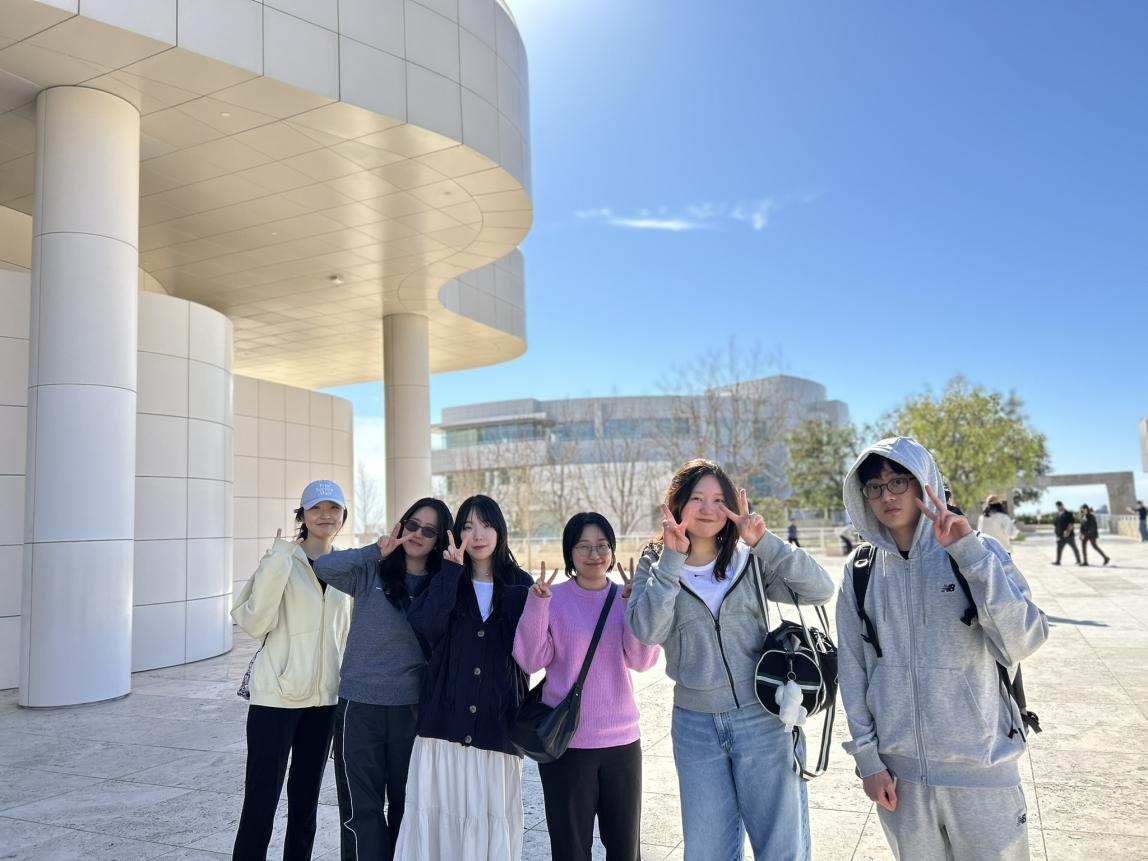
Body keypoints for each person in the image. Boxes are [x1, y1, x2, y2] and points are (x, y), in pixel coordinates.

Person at [835, 438, 1048, 861]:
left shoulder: (978, 550)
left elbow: (1024, 639)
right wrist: (868, 760)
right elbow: (854, 668)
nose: (888, 495)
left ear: (924, 483)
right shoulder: (860, 570)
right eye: (875, 487)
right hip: (901, 780)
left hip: (983, 772)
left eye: (899, 481)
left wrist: (968, 554)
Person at [626, 459, 835, 861]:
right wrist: (672, 561)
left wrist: (764, 541)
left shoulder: (748, 559)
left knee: (781, 847)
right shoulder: (655, 563)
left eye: (719, 500)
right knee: (707, 851)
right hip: (695, 725)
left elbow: (820, 588)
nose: (708, 509)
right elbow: (646, 632)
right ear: (678, 505)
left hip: (763, 718)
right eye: (698, 499)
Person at [513, 512, 661, 861]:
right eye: (584, 546)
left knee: (625, 850)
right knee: (570, 850)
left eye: (602, 546)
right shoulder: (553, 598)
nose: (594, 554)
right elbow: (531, 659)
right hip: (565, 744)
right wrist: (537, 604)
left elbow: (641, 660)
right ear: (570, 553)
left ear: (612, 551)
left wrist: (635, 603)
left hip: (621, 744)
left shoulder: (624, 596)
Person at [313, 498, 454, 861]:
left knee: (409, 810)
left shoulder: (442, 585)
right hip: (359, 708)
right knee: (362, 812)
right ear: (401, 526)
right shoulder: (371, 571)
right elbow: (325, 566)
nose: (418, 534)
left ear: (439, 540)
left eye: (429, 530)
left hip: (412, 710)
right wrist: (375, 549)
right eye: (412, 525)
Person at [394, 495, 534, 861]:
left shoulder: (521, 584)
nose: (478, 534)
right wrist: (451, 573)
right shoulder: (446, 579)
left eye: (486, 524)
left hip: (497, 728)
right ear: (457, 535)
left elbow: (534, 653)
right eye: (468, 526)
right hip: (444, 727)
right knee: (440, 827)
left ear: (500, 530)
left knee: (489, 826)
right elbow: (425, 626)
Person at [230, 480, 353, 861]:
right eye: (316, 508)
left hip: (324, 703)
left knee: (305, 806)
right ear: (302, 515)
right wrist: (279, 559)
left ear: (343, 517)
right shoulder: (282, 558)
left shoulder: (345, 569)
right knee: (260, 805)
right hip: (275, 701)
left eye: (333, 508)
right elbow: (254, 622)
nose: (325, 515)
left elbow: (347, 635)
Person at [1052, 500, 1082, 566]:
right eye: (1057, 506)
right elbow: (1055, 525)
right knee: (1059, 549)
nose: (1058, 507)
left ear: (1062, 505)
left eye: (1059, 506)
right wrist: (1057, 534)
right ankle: (1058, 561)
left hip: (1069, 536)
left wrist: (1068, 532)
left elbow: (1071, 524)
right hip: (1060, 536)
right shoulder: (1057, 515)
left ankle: (1079, 560)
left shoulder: (1069, 514)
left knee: (1074, 548)